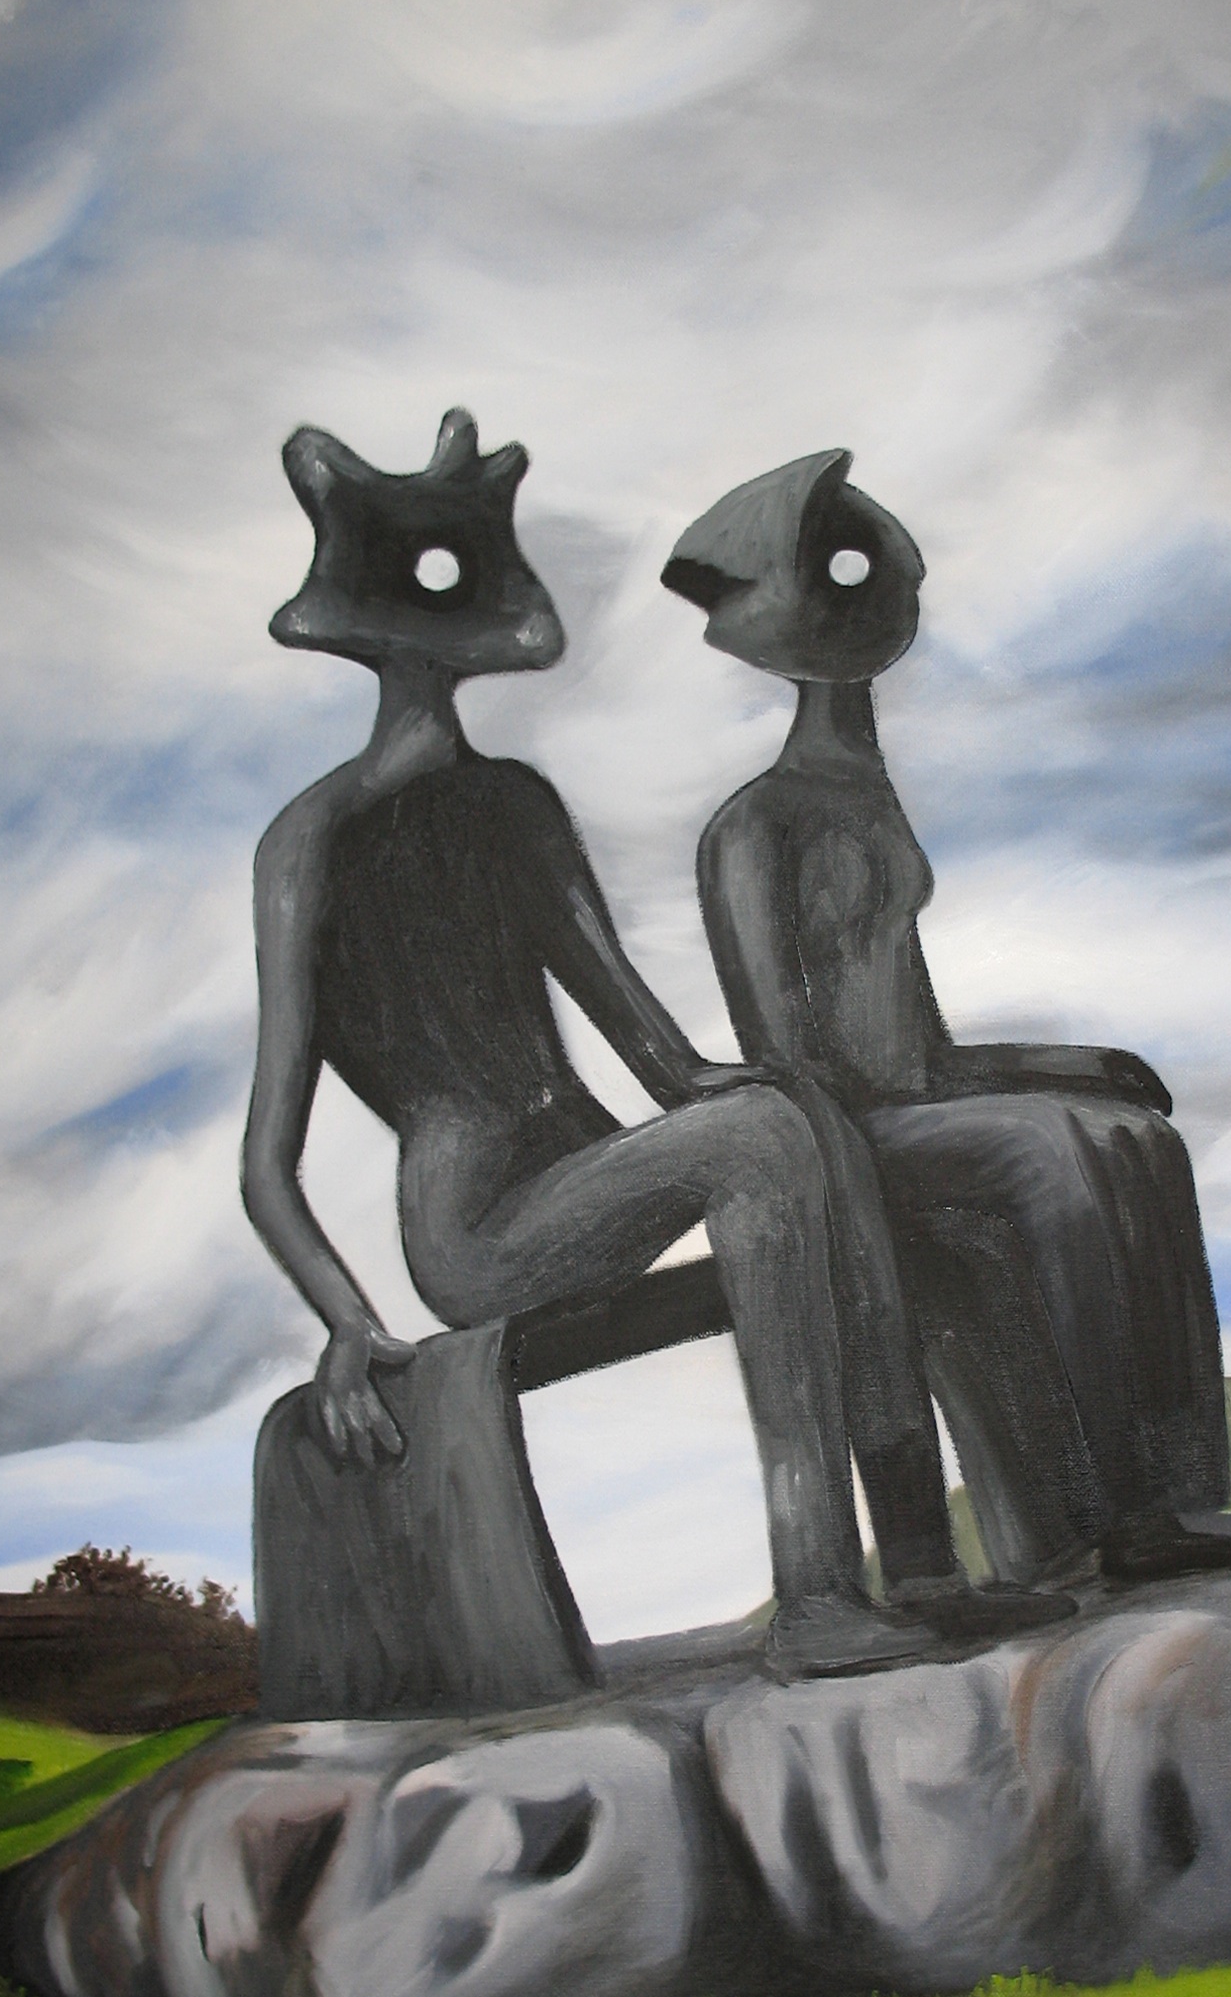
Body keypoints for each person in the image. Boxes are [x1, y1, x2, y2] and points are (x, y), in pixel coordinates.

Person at [242, 411, 1065, 1681]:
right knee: (762, 1141)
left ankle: (917, 1567)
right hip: (481, 1235)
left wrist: (776, 1089)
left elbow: (659, 1058)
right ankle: (816, 1597)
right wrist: (349, 1321)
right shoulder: (313, 841)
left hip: (591, 1182)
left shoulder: (518, 807)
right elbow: (268, 1162)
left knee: (800, 1120)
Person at [665, 449, 1231, 1581]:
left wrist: (1072, 1062)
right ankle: (1116, 1519)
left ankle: (1178, 1495)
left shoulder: (868, 805)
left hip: (916, 1109)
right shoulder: (754, 827)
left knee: (1140, 1142)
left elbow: (925, 1050)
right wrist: (1015, 1102)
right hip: (844, 1137)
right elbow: (792, 1064)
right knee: (1053, 1155)